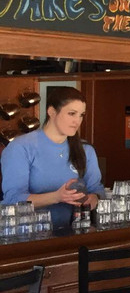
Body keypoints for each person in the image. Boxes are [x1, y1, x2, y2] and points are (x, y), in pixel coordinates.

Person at [1, 87, 103, 230]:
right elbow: (13, 200)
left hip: (73, 232)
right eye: (71, 113)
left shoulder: (85, 150)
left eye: (81, 115)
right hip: (29, 234)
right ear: (51, 112)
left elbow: (97, 189)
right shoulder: (21, 147)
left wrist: (92, 198)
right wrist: (57, 197)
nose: (77, 121)